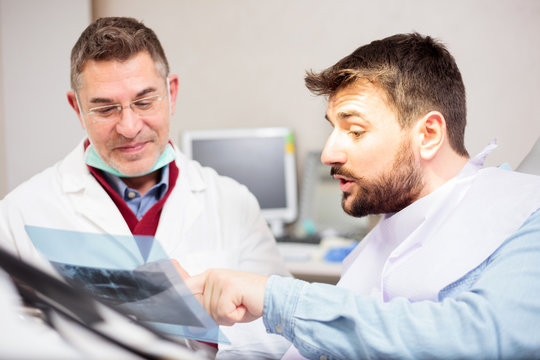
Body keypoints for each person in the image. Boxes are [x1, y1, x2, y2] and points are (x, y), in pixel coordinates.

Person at [185, 33, 540, 359]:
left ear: (429, 134)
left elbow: (482, 339)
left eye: (355, 130)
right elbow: (335, 341)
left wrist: (276, 297)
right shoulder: (394, 229)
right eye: (333, 128)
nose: (328, 154)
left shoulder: (524, 215)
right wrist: (206, 325)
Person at [0, 17, 290, 359]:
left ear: (172, 92)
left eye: (144, 101)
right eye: (105, 108)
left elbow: (279, 331)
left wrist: (201, 323)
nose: (129, 126)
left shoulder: (232, 201)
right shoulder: (19, 212)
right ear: (77, 108)